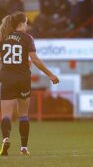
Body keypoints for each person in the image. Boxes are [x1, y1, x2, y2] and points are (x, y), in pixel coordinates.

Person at [0, 11, 59, 156]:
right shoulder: (27, 38)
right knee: (23, 114)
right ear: (22, 23)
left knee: (6, 115)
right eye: (26, 23)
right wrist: (50, 74)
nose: (27, 26)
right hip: (23, 78)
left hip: (7, 77)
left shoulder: (3, 37)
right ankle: (24, 148)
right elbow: (35, 60)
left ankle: (6, 138)